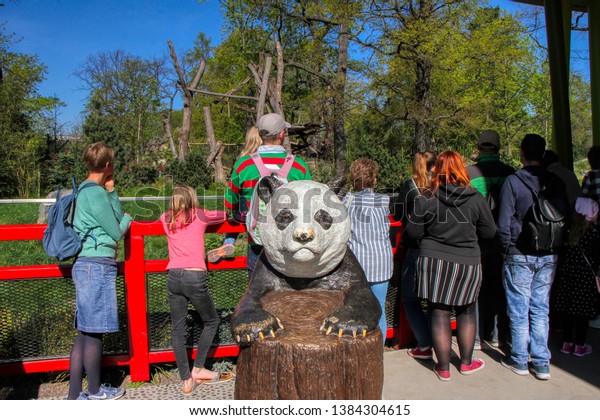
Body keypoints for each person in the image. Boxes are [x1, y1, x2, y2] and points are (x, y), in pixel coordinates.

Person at [405, 151, 496, 381]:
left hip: (434, 261)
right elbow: (490, 232)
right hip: (468, 262)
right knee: (466, 311)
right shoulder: (475, 197)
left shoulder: (427, 197)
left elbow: (413, 232)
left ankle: (443, 367)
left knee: (439, 311)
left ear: (437, 170)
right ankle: (466, 363)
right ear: (461, 169)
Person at [497, 133, 568, 380]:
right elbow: (564, 216)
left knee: (519, 307)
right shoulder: (556, 181)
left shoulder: (513, 182)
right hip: (549, 253)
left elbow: (504, 221)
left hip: (519, 252)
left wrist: (506, 248)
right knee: (540, 307)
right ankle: (541, 362)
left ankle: (518, 358)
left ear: (522, 153)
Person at [67, 142, 132, 400]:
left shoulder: (84, 191)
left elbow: (109, 217)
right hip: (97, 265)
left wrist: (112, 190)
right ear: (107, 164)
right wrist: (128, 219)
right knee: (94, 330)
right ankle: (94, 392)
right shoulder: (93, 194)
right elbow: (116, 230)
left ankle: (74, 396)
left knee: (84, 331)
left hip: (84, 263)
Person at [160, 185, 234, 395]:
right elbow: (223, 215)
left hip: (173, 276)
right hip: (194, 275)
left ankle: (186, 381)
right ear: (192, 199)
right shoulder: (199, 216)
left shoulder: (165, 218)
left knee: (178, 329)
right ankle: (199, 368)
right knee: (211, 321)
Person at [224, 113, 311, 279]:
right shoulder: (299, 166)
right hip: (290, 244)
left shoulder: (244, 165)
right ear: (282, 134)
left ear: (261, 135)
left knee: (257, 297)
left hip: (258, 241)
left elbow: (229, 202)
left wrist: (239, 211)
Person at [466, 130, 514, 350]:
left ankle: (474, 338)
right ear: (498, 147)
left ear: (479, 146)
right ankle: (495, 336)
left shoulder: (469, 173)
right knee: (497, 288)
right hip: (501, 239)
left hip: (474, 239)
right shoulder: (510, 173)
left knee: (474, 289)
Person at [343, 158, 394, 345]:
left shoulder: (348, 201)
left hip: (358, 263)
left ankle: (359, 348)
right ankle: (378, 350)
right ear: (374, 179)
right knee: (379, 307)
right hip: (381, 260)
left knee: (355, 309)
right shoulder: (384, 200)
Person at [391, 151, 436, 359]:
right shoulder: (440, 186)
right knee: (435, 299)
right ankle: (438, 339)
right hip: (440, 247)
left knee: (410, 297)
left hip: (416, 247)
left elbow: (398, 213)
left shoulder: (411, 186)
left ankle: (424, 343)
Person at [551, 203, 600, 357]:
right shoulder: (594, 233)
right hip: (586, 279)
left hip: (567, 277)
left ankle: (567, 343)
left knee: (568, 311)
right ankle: (579, 345)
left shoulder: (568, 231)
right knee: (582, 314)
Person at [207, 126, 262, 263]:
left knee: (235, 218)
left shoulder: (244, 163)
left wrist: (235, 207)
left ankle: (228, 242)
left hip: (246, 215)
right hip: (271, 218)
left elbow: (230, 200)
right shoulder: (286, 163)